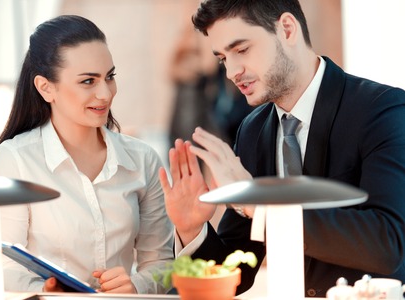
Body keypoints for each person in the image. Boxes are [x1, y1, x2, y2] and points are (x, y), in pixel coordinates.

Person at [159, 0, 405, 298]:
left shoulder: (383, 110)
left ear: (287, 29)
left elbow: (389, 243)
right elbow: (237, 270)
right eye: (223, 58)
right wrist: (192, 229)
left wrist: (257, 206)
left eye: (241, 50)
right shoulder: (252, 132)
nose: (231, 72)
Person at [0, 15, 174, 294]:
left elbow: (162, 262)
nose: (105, 94)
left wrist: (137, 285)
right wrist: (47, 291)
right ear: (46, 87)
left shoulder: (142, 159)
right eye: (88, 81)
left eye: (110, 77)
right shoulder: (14, 161)